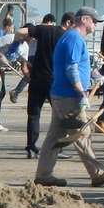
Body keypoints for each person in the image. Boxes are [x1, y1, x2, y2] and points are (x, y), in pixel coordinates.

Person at [33, 7, 104, 188]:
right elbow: (71, 68)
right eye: (94, 21)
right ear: (84, 20)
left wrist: (94, 76)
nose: (96, 25)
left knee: (55, 136)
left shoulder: (72, 38)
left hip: (62, 94)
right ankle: (98, 173)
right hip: (69, 96)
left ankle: (43, 175)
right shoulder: (74, 38)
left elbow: (78, 66)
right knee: (82, 133)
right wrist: (81, 92)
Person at [14, 14, 64, 158]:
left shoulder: (42, 30)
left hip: (37, 79)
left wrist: (18, 40)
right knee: (58, 115)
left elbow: (20, 32)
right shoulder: (64, 34)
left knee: (34, 114)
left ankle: (31, 147)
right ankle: (57, 148)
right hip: (54, 80)